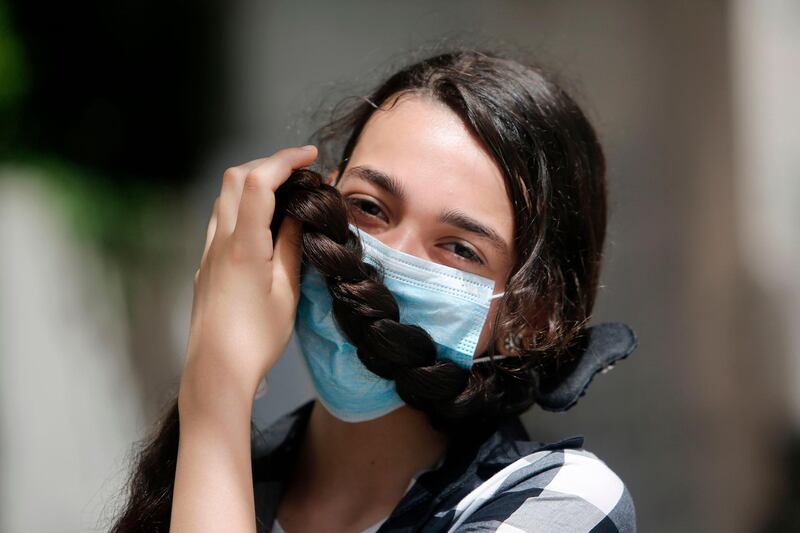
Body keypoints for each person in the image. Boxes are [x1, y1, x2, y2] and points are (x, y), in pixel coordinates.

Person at [110, 49, 639, 532]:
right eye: (368, 207)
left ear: (530, 316)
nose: (390, 263)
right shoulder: (213, 483)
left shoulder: (563, 502)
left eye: (459, 248)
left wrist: (216, 387)